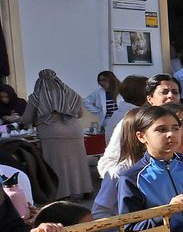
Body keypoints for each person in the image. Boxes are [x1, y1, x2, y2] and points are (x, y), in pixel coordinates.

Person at [20, 69, 93, 199]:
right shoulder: (71, 94)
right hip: (74, 132)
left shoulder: (37, 96)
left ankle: (62, 194)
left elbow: (27, 119)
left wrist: (15, 119)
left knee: (58, 165)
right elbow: (80, 114)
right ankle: (86, 189)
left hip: (51, 133)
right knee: (79, 163)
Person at [84, 71, 128, 138]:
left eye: (104, 80)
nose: (101, 83)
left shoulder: (122, 91)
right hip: (107, 122)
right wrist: (98, 111)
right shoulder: (98, 93)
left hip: (121, 120)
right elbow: (86, 102)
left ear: (111, 80)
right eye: (100, 80)